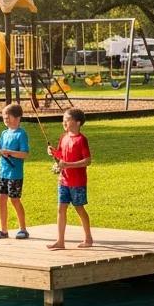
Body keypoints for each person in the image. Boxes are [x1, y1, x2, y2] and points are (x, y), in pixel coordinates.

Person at [47, 107, 92, 250]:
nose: (64, 122)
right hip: (63, 180)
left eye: (67, 119)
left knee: (79, 208)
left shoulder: (81, 140)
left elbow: (87, 160)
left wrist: (68, 165)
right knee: (61, 208)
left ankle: (88, 238)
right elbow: (61, 155)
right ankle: (60, 241)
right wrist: (53, 152)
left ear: (77, 122)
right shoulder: (63, 137)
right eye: (63, 119)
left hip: (77, 182)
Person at [0, 103, 30, 240]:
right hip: (2, 172)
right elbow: (2, 148)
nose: (5, 119)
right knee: (1, 199)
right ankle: (3, 230)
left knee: (15, 200)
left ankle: (23, 229)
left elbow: (24, 154)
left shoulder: (21, 134)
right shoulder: (4, 133)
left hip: (15, 173)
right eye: (4, 117)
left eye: (8, 117)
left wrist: (9, 152)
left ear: (18, 118)